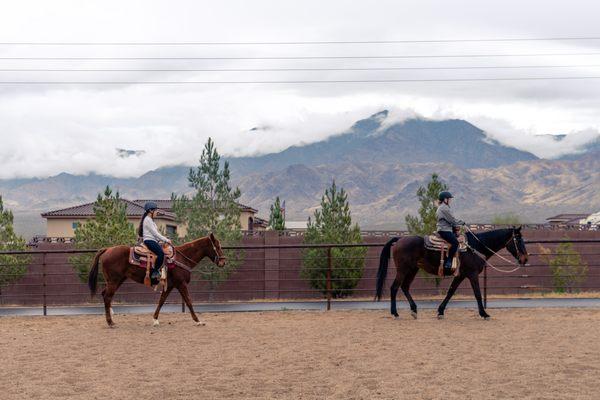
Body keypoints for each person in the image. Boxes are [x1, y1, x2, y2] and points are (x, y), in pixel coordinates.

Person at [138, 201, 171, 280]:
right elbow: (155, 233)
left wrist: (161, 240)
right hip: (149, 241)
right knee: (161, 254)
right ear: (151, 211)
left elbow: (155, 234)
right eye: (156, 210)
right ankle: (155, 272)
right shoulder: (148, 220)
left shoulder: (150, 220)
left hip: (153, 240)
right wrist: (166, 240)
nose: (157, 212)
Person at [436, 191, 465, 272]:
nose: (450, 200)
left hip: (446, 229)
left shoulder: (443, 207)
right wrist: (462, 222)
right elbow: (452, 220)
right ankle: (448, 261)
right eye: (449, 199)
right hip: (444, 230)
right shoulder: (444, 208)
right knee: (455, 243)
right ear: (445, 199)